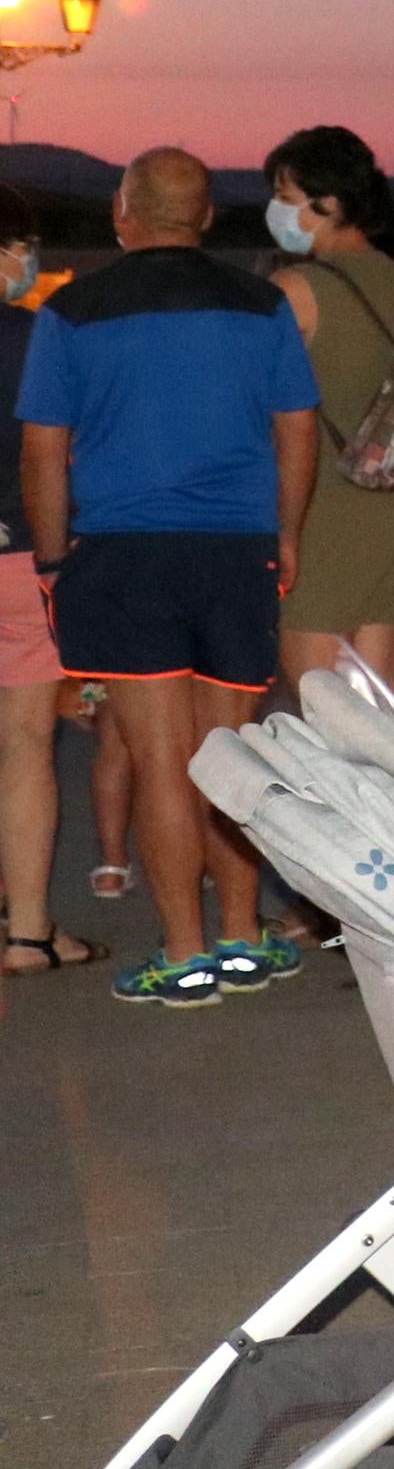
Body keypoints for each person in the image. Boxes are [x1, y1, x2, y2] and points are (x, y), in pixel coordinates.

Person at [13, 147, 320, 1007]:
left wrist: (52, 559)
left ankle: (185, 955)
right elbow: (297, 427)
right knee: (230, 754)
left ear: (123, 211)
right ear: (208, 217)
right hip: (236, 551)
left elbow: (43, 450)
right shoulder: (261, 303)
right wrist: (286, 534)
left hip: (121, 554)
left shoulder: (71, 311)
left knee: (159, 760)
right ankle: (242, 936)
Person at [263, 127, 394, 691]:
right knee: (381, 685)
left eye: (285, 197)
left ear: (329, 204)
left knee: (319, 694)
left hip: (321, 510)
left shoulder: (294, 289)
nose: (276, 211)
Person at [0, 186, 108, 976]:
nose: (27, 260)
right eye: (21, 245)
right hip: (17, 558)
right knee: (26, 740)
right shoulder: (35, 338)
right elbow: (63, 453)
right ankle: (28, 933)